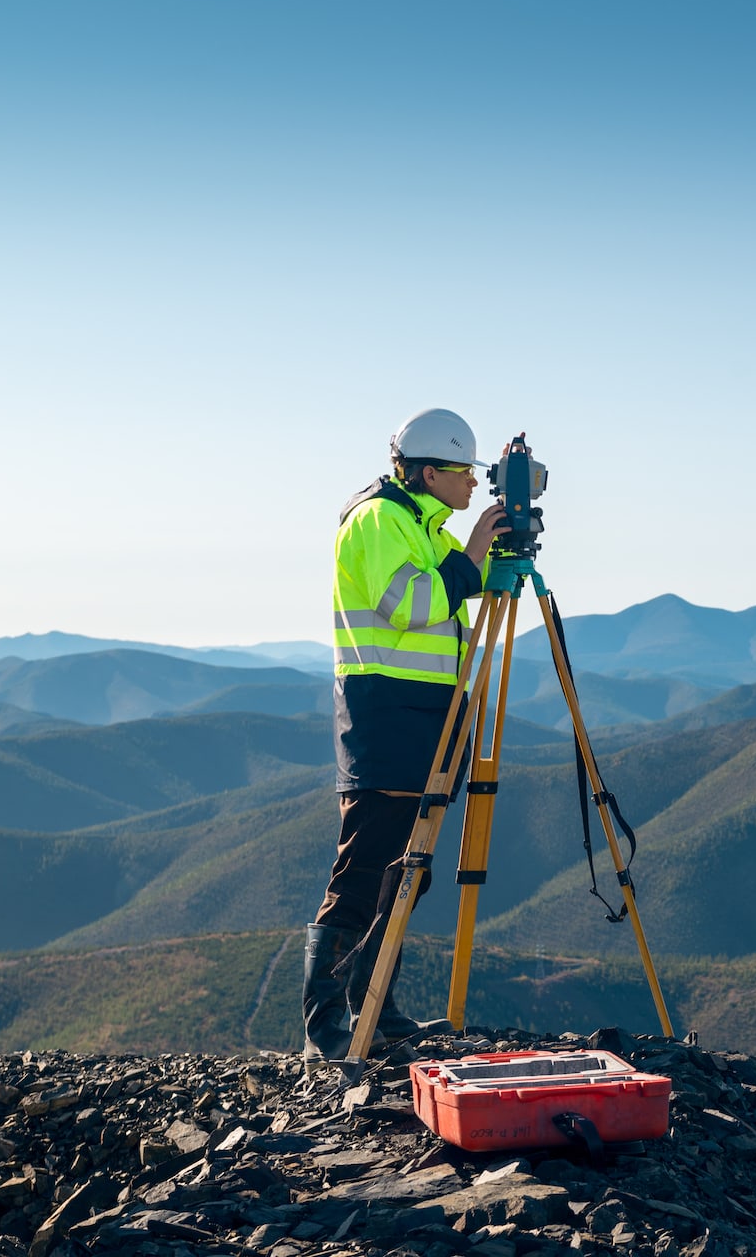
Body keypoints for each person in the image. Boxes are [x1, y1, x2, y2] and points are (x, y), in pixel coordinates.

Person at [303, 407, 508, 1065]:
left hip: (426, 717)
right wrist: (475, 550)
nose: (473, 484)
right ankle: (326, 1024)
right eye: (462, 472)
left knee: (408, 872)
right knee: (365, 868)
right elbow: (413, 606)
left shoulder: (422, 524)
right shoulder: (380, 520)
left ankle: (375, 1004)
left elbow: (465, 582)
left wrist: (502, 544)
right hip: (386, 715)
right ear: (427, 472)